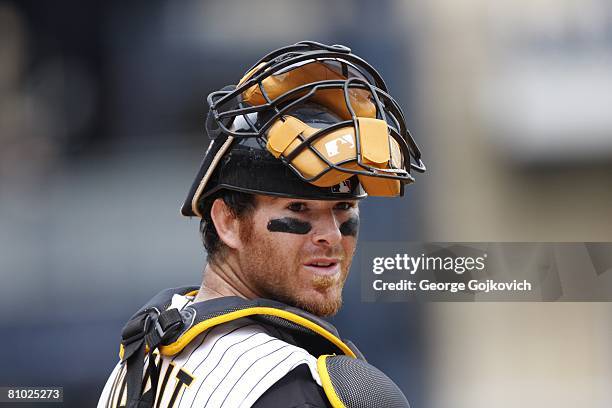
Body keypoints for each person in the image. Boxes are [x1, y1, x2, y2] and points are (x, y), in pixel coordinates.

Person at [98, 41, 425, 408]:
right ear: (227, 221)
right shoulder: (295, 387)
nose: (331, 236)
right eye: (299, 208)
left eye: (344, 207)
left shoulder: (142, 358)